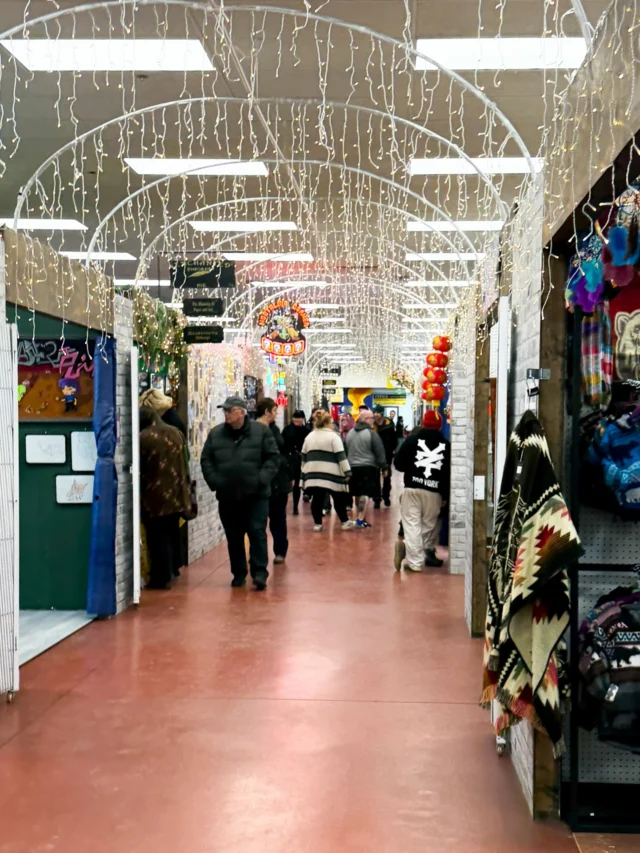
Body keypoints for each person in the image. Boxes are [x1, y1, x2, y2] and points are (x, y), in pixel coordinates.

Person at [200, 396, 280, 591]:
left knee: (257, 532)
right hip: (228, 496)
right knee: (234, 536)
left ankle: (259, 572)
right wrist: (216, 482)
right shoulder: (216, 434)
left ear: (242, 412)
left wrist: (261, 480)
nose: (226, 414)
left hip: (256, 496)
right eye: (225, 411)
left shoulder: (261, 432)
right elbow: (206, 460)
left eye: (230, 410)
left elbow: (272, 458)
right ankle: (238, 573)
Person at [139, 405, 191, 589]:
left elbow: (140, 467)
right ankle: (173, 569)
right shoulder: (176, 433)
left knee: (157, 538)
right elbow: (186, 459)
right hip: (177, 494)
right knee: (171, 534)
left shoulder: (144, 437)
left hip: (155, 495)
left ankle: (161, 578)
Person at [393, 409, 450, 572]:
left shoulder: (411, 441)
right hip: (435, 493)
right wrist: (445, 495)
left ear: (423, 423)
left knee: (411, 525)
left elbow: (398, 464)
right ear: (440, 427)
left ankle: (415, 562)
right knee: (427, 527)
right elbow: (448, 473)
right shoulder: (446, 446)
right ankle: (412, 554)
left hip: (412, 489)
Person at [301, 410, 354, 531]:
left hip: (313, 473)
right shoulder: (334, 437)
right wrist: (347, 471)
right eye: (331, 422)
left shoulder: (309, 436)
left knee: (317, 498)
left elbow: (303, 456)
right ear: (326, 423)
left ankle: (317, 524)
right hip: (332, 473)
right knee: (338, 497)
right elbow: (341, 456)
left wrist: (304, 473)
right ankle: (344, 522)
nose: (333, 425)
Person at [257, 397, 292, 564]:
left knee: (277, 519)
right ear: (267, 412)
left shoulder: (275, 430)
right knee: (259, 522)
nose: (276, 414)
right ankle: (259, 555)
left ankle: (280, 551)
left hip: (278, 483)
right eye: (274, 411)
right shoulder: (256, 431)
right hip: (265, 483)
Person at [345, 409, 388, 528]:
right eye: (371, 418)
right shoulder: (372, 434)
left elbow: (345, 450)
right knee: (366, 493)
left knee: (357, 493)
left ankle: (361, 517)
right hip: (368, 467)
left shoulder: (350, 433)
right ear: (364, 420)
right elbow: (379, 451)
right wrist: (384, 467)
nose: (373, 420)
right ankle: (360, 519)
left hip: (352, 467)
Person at [282, 409, 310, 515]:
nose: (297, 420)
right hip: (291, 458)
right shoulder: (289, 429)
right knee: (291, 482)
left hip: (298, 458)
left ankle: (295, 506)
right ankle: (290, 506)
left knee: (297, 483)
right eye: (296, 418)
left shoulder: (304, 430)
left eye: (299, 418)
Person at [372, 404, 398, 508]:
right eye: (375, 412)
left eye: (377, 412)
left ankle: (386, 497)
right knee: (375, 478)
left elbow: (394, 440)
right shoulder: (372, 425)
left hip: (387, 455)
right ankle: (377, 499)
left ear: (382, 414)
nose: (376, 414)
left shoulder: (389, 424)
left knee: (387, 477)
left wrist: (391, 450)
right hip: (374, 455)